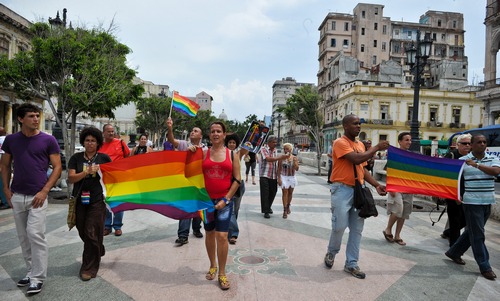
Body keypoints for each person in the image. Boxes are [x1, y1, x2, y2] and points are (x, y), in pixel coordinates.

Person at [1, 103, 62, 294]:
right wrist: (6, 190)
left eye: (37, 115)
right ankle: (30, 271)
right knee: (23, 238)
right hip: (18, 195)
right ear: (20, 119)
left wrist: (44, 191)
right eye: (31, 116)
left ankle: (37, 277)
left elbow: (58, 168)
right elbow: (4, 166)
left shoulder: (48, 140)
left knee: (35, 235)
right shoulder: (11, 140)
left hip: (38, 196)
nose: (36, 119)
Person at [324, 114, 389, 279]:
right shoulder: (340, 143)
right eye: (355, 124)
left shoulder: (359, 144)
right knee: (339, 226)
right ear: (345, 126)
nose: (358, 126)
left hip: (358, 190)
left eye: (359, 124)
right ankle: (332, 252)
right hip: (341, 189)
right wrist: (375, 148)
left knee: (357, 229)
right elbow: (355, 159)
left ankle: (351, 263)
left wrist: (376, 185)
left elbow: (362, 169)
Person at [445, 134, 499, 281]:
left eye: (484, 142)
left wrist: (476, 165)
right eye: (478, 142)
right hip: (471, 202)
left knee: (473, 231)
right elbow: (452, 179)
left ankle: (454, 252)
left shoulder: (492, 158)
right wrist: (456, 195)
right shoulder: (462, 161)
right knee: (478, 234)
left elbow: (495, 172)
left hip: (487, 201)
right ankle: (485, 266)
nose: (482, 144)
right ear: (472, 145)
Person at [67, 127, 111, 281]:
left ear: (98, 143)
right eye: (87, 140)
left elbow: (113, 177)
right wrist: (86, 172)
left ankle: (89, 267)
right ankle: (98, 247)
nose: (90, 143)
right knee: (83, 231)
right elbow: (71, 178)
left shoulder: (104, 158)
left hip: (98, 201)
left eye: (93, 140)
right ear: (83, 141)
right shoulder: (76, 158)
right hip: (80, 199)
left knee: (91, 231)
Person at [202, 121, 241, 290]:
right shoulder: (202, 153)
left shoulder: (232, 155)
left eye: (219, 131)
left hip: (224, 201)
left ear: (224, 135)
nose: (215, 134)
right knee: (209, 233)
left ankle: (222, 273)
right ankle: (213, 265)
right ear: (209, 135)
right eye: (212, 131)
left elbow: (238, 180)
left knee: (223, 236)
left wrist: (225, 199)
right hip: (205, 202)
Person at [167, 117, 204, 244]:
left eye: (195, 131)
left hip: (199, 184)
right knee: (186, 208)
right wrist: (170, 127)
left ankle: (196, 229)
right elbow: (171, 140)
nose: (192, 132)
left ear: (201, 135)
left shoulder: (205, 149)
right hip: (185, 182)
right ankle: (183, 235)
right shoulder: (183, 144)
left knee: (198, 208)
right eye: (191, 131)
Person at [382, 132, 412, 246]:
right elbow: (389, 171)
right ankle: (388, 229)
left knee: (404, 213)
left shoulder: (412, 155)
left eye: (410, 140)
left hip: (408, 187)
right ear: (400, 141)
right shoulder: (394, 154)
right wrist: (391, 188)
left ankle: (397, 235)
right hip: (396, 186)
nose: (409, 142)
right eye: (406, 140)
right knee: (398, 209)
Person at [100, 124, 130, 236]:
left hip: (119, 179)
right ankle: (107, 226)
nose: (111, 133)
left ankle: (117, 226)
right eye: (108, 131)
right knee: (106, 201)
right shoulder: (99, 146)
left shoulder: (120, 143)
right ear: (103, 133)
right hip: (105, 179)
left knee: (118, 202)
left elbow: (128, 157)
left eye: (112, 131)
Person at [441, 133, 471, 246]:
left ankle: (448, 232)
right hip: (453, 193)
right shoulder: (451, 156)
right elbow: (444, 175)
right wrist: (455, 194)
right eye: (464, 143)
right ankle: (454, 248)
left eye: (469, 143)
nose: (467, 145)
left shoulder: (471, 157)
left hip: (468, 194)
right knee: (455, 220)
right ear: (458, 145)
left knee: (466, 219)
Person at [225, 133, 248, 245]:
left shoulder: (238, 154)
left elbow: (246, 148)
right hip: (227, 184)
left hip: (239, 184)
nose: (232, 144)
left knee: (236, 209)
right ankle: (233, 233)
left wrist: (253, 134)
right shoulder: (223, 154)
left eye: (234, 143)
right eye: (230, 142)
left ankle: (231, 229)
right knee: (231, 209)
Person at [259, 136, 290, 218]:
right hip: (264, 174)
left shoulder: (276, 151)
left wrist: (279, 177)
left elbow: (278, 163)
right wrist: (280, 157)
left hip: (273, 175)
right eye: (273, 142)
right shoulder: (263, 149)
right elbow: (268, 159)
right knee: (265, 193)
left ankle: (268, 207)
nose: (275, 144)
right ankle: (266, 211)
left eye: (276, 142)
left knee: (273, 192)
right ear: (269, 142)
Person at [277, 143, 299, 219]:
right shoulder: (281, 158)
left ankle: (288, 205)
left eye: (287, 149)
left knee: (290, 192)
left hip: (292, 177)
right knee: (285, 192)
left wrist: (295, 162)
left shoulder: (294, 157)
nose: (286, 150)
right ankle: (285, 209)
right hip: (284, 176)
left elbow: (297, 169)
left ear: (291, 150)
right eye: (285, 149)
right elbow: (279, 168)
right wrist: (279, 178)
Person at [0, 126, 9, 210]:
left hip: (2, 166)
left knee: (2, 184)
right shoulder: (7, 139)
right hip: (6, 165)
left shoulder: (1, 140)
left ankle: (5, 202)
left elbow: (2, 154)